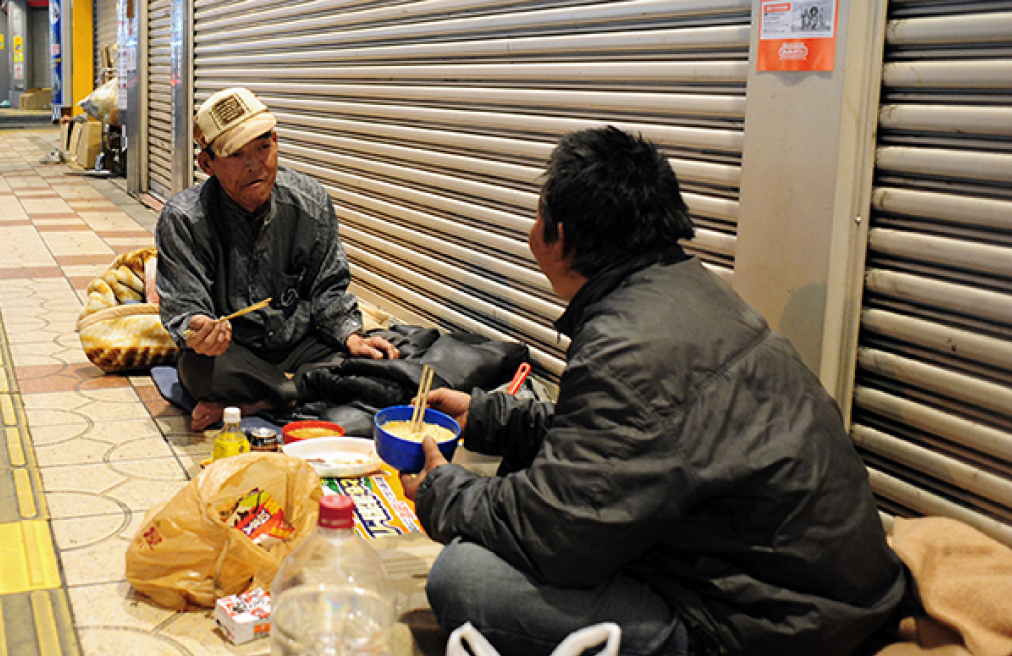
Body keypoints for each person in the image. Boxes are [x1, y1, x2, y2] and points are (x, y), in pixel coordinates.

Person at [401, 127, 909, 656]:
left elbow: (555, 533)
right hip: (819, 590)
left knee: (464, 578)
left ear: (560, 236)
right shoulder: (685, 288)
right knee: (515, 477)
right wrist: (486, 417)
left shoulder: (627, 347)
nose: (531, 231)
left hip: (773, 626)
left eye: (537, 216)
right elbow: (623, 442)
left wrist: (442, 491)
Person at [155, 88, 399, 431]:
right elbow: (185, 305)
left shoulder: (310, 202)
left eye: (263, 147)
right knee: (198, 370)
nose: (255, 164)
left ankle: (264, 400)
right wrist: (199, 329)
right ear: (207, 163)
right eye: (236, 154)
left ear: (276, 141)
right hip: (234, 356)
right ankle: (302, 390)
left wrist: (351, 336)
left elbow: (328, 288)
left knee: (383, 357)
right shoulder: (183, 219)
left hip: (298, 345)